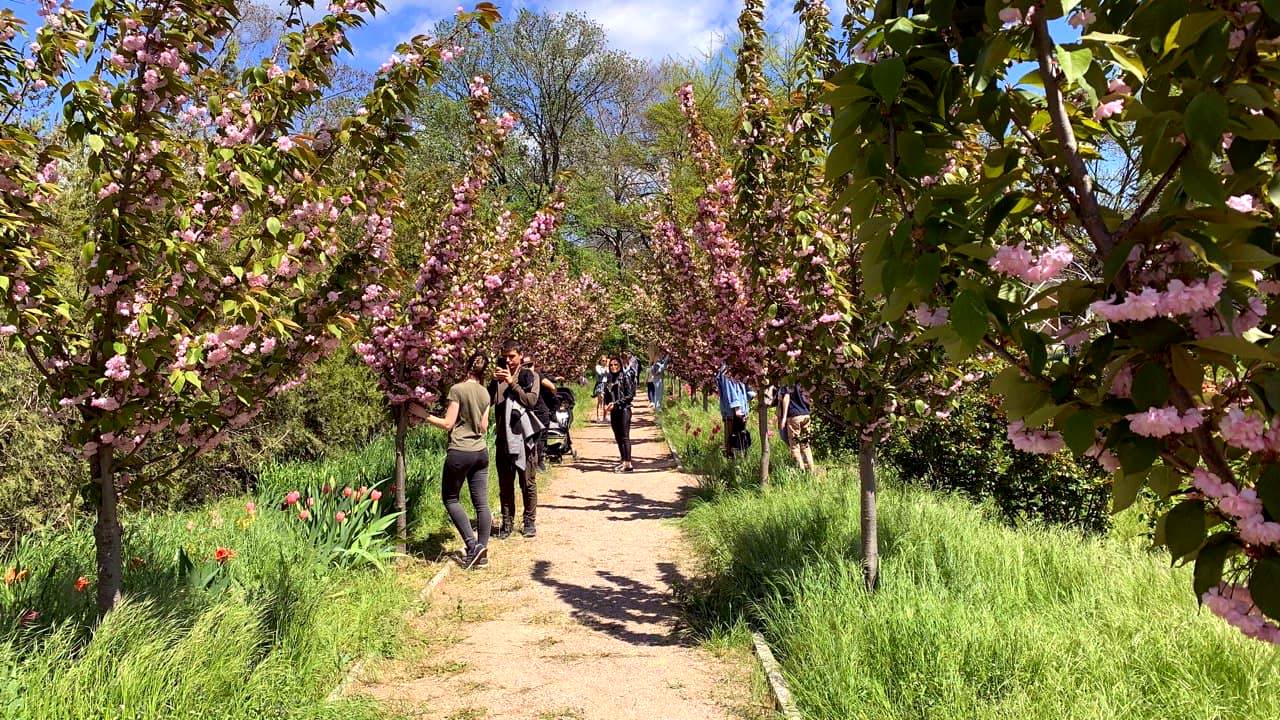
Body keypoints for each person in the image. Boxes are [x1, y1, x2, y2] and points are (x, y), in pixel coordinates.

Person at [410, 353, 491, 569]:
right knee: (481, 503)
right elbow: (484, 426)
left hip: (460, 451)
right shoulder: (485, 393)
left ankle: (472, 546)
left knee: (451, 498)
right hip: (481, 452)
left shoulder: (457, 389)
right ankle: (482, 550)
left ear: (467, 367)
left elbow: (448, 423)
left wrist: (423, 414)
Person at [488, 340, 544, 539]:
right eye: (505, 357)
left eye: (512, 356)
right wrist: (495, 383)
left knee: (527, 481)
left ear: (520, 355)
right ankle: (507, 521)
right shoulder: (498, 378)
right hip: (503, 438)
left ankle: (529, 521)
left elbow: (531, 400)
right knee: (505, 483)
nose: (508, 360)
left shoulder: (530, 376)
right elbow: (489, 402)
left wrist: (512, 382)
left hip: (523, 438)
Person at [601, 356, 637, 472]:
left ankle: (628, 464)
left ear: (620, 366)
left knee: (625, 436)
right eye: (611, 365)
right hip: (614, 411)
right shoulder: (609, 379)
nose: (613, 367)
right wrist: (606, 404)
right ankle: (623, 461)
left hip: (624, 410)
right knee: (618, 437)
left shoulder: (625, 377)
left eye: (616, 365)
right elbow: (607, 396)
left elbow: (630, 395)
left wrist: (615, 403)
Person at [715, 365, 751, 459]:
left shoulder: (738, 365)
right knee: (732, 437)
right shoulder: (726, 369)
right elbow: (728, 389)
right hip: (732, 412)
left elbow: (744, 387)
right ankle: (731, 460)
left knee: (741, 436)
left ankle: (740, 458)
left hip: (741, 408)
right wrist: (736, 407)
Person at [777, 383, 815, 472]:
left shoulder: (787, 382)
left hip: (794, 416)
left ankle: (800, 471)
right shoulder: (801, 381)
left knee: (794, 446)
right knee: (805, 445)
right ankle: (810, 471)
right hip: (805, 415)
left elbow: (786, 397)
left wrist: (784, 418)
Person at [592, 355, 609, 422]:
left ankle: (605, 417)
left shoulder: (607, 367)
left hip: (606, 384)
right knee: (600, 400)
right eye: (603, 361)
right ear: (600, 361)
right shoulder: (598, 367)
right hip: (600, 384)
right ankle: (598, 417)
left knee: (606, 401)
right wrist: (605, 369)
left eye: (605, 361)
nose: (604, 362)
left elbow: (609, 374)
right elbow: (601, 374)